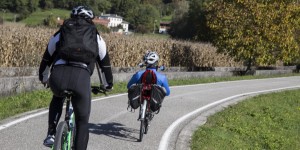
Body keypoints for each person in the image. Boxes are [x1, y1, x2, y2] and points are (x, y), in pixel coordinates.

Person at [38, 6, 113, 150]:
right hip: (81, 78)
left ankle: (51, 134)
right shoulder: (96, 37)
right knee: (82, 121)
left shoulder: (61, 33)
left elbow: (47, 58)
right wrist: (107, 85)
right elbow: (105, 66)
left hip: (58, 76)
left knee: (57, 97)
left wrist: (44, 78)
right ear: (91, 20)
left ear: (72, 17)